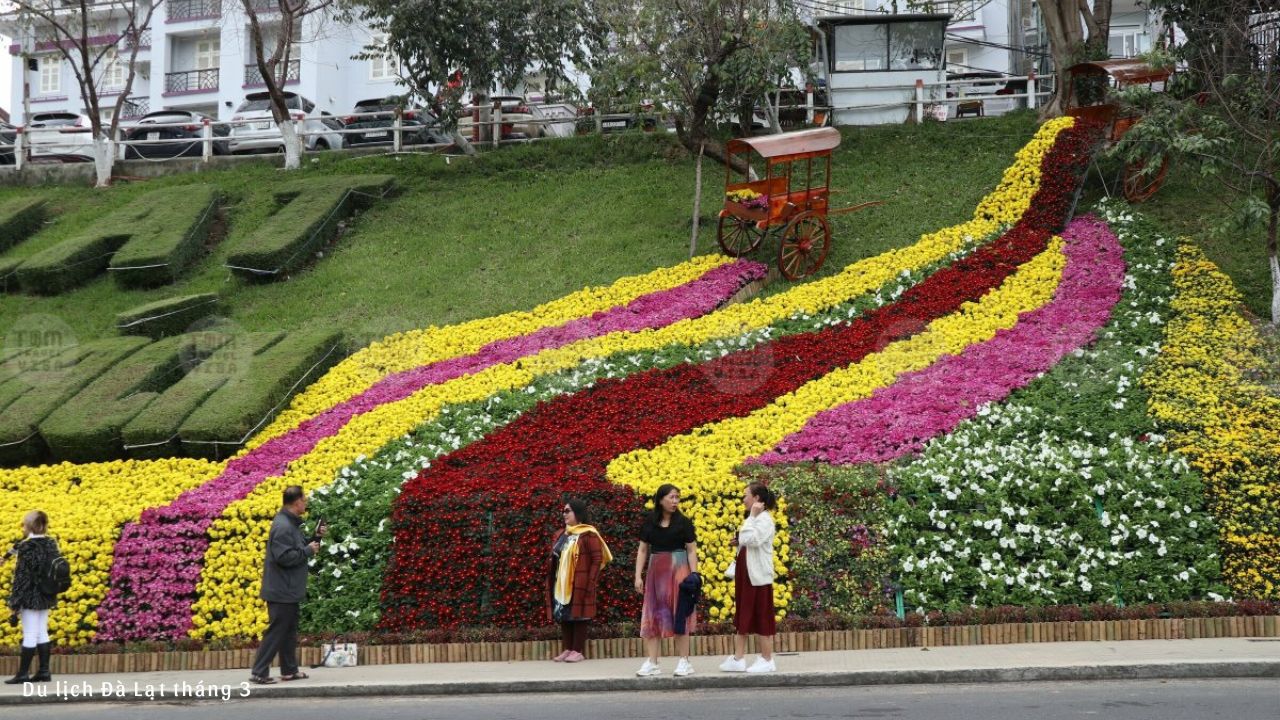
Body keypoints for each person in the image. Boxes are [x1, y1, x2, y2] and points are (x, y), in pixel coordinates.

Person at [249, 485, 325, 685]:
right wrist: (308, 551)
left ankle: (289, 670)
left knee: (288, 630)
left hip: (288, 589)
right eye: (304, 500)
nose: (306, 503)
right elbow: (284, 557)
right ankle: (259, 672)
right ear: (297, 502)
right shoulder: (283, 526)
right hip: (281, 590)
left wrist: (315, 538)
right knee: (277, 631)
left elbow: (297, 550)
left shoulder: (289, 524)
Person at [634, 483, 699, 677]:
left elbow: (692, 549)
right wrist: (638, 576)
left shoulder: (684, 523)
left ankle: (684, 661)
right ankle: (652, 662)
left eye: (677, 497)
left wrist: (694, 575)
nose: (675, 501)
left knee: (680, 614)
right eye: (671, 497)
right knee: (652, 615)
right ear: (660, 499)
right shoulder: (649, 523)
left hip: (679, 572)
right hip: (656, 573)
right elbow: (643, 550)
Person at [719, 482, 779, 673]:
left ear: (757, 499)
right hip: (747, 575)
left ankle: (767, 659)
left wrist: (751, 517)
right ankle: (738, 658)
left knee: (762, 615)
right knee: (743, 614)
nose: (743, 499)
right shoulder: (756, 519)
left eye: (746, 495)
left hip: (758, 577)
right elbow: (746, 540)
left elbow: (751, 539)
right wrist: (740, 541)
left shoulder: (764, 519)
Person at [548, 498, 612, 663]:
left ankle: (577, 651)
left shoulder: (589, 534)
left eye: (567, 511)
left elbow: (597, 559)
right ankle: (568, 649)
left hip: (581, 581)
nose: (564, 514)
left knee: (579, 615)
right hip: (562, 582)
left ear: (578, 513)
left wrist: (590, 582)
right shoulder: (563, 534)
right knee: (565, 615)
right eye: (563, 511)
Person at [4, 510, 59, 685]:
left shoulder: (26, 546)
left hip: (30, 595)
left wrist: (15, 602)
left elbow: (21, 577)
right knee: (42, 631)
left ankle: (22, 674)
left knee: (29, 633)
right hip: (46, 593)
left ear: (28, 527)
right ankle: (44, 671)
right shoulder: (51, 543)